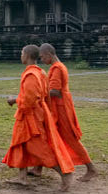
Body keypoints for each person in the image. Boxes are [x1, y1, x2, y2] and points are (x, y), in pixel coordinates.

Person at [2, 44, 74, 191]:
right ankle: (22, 178)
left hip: (31, 117)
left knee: (39, 149)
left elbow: (29, 99)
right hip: (29, 115)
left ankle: (64, 173)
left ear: (27, 55)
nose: (21, 55)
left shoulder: (31, 75)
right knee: (20, 144)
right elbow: (44, 95)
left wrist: (14, 100)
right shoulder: (40, 72)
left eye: (22, 53)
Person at [39, 43, 99, 182]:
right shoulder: (59, 67)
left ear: (49, 54)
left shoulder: (57, 68)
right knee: (48, 135)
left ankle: (91, 168)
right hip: (59, 106)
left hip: (61, 108)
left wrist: (38, 93)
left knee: (70, 138)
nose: (42, 60)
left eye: (42, 57)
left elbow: (55, 91)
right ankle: (38, 167)